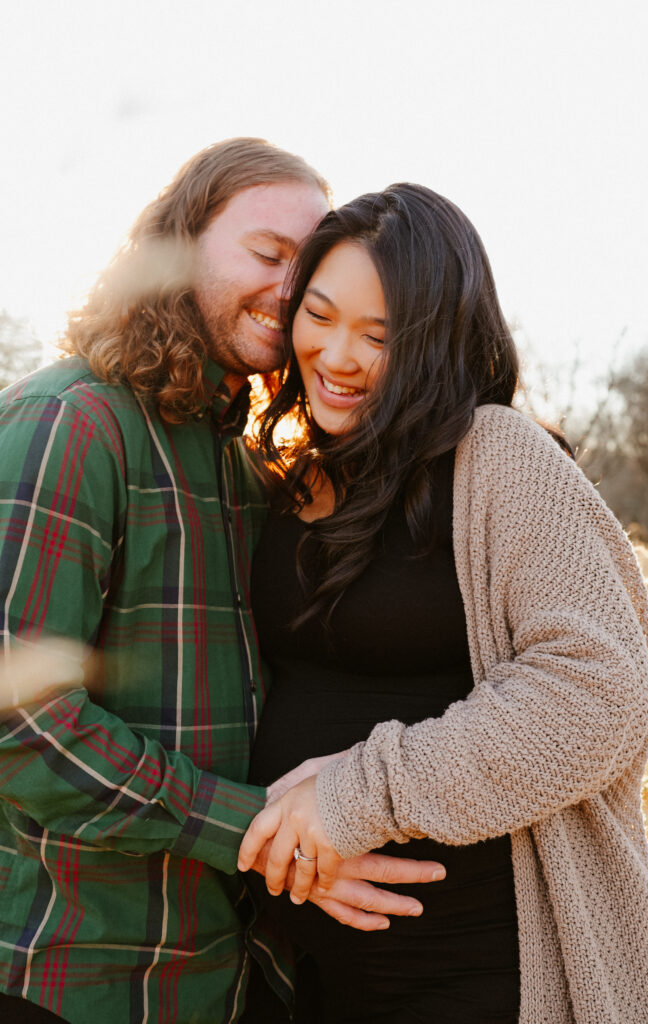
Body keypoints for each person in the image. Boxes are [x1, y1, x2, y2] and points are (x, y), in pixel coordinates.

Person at [0, 141, 446, 1024]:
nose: (290, 291)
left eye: (306, 266)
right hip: (81, 980)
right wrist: (245, 825)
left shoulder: (243, 463)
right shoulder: (69, 423)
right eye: (267, 255)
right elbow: (23, 725)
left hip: (234, 977)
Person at [237, 183, 648, 1023]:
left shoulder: (497, 456)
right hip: (305, 972)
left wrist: (353, 798)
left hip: (476, 972)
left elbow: (598, 694)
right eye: (319, 316)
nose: (336, 356)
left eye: (381, 335)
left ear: (438, 343)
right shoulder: (287, 479)